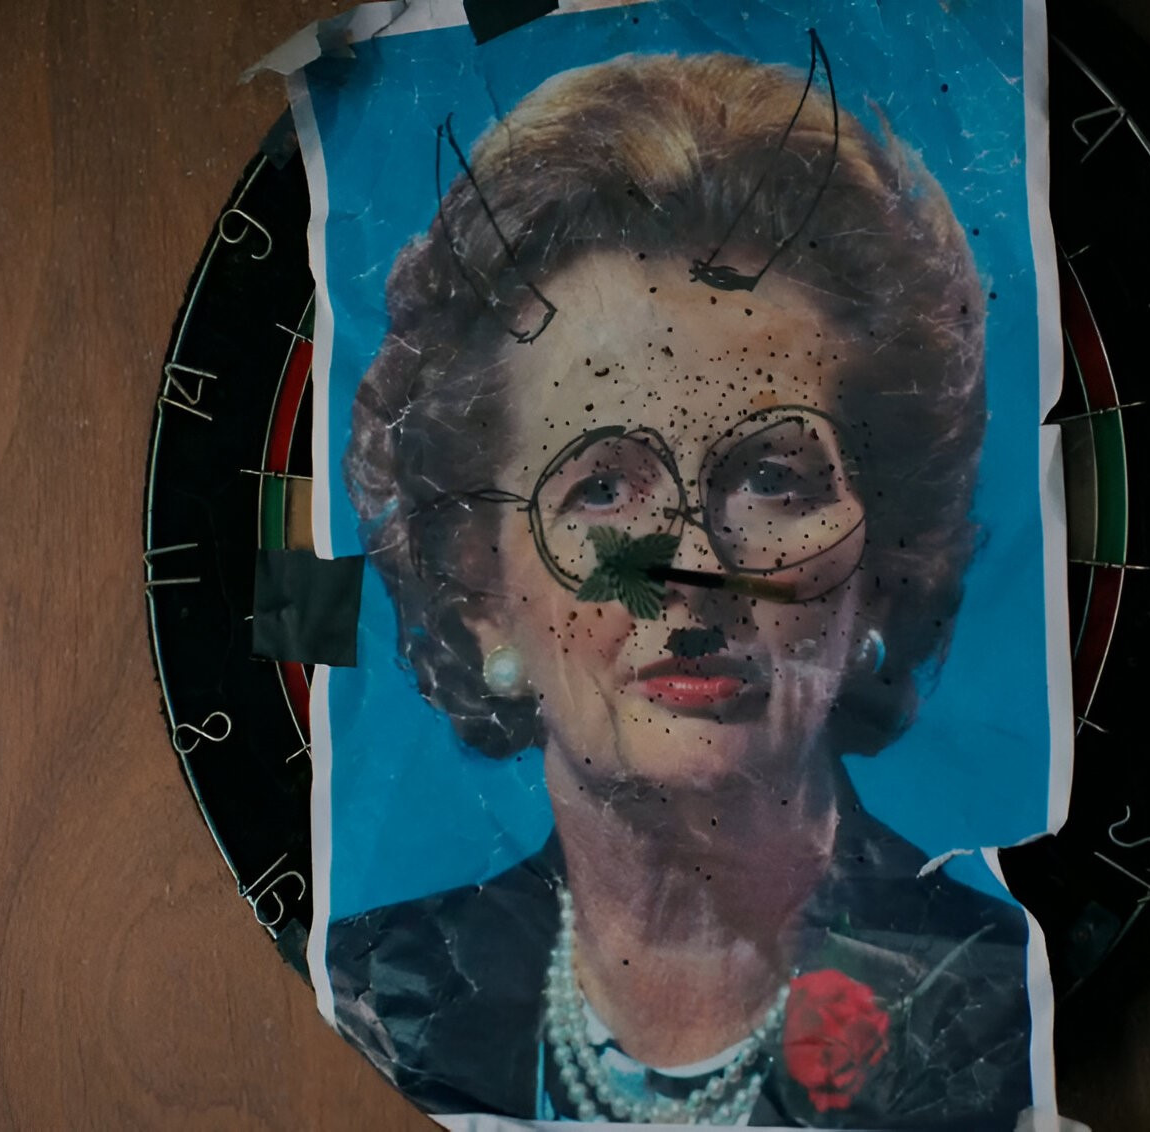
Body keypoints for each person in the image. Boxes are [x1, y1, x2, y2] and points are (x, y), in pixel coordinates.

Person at [328, 49, 1034, 1128]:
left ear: (886, 576)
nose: (692, 574)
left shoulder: (1008, 1013)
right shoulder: (374, 999)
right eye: (602, 488)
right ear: (478, 591)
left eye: (773, 479)